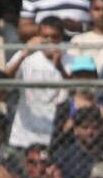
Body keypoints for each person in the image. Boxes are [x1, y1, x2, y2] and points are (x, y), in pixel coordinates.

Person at [5, 16, 66, 149]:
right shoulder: (27, 56)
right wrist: (24, 54)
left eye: (54, 37)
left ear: (61, 38)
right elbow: (5, 78)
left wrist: (59, 66)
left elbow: (75, 91)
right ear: (38, 36)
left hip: (53, 136)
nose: (49, 41)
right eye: (45, 37)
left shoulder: (69, 59)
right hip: (23, 134)